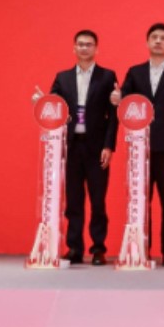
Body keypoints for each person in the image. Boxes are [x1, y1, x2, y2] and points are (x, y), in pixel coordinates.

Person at [36, 29, 118, 265]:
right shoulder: (62, 78)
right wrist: (40, 102)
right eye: (80, 44)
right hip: (71, 148)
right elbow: (53, 107)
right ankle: (74, 248)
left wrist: (109, 146)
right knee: (73, 201)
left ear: (96, 49)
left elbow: (113, 116)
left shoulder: (107, 76)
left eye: (89, 44)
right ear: (73, 48)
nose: (84, 48)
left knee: (98, 200)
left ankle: (98, 249)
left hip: (97, 148)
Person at [116, 23, 164, 267]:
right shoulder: (135, 72)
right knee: (140, 199)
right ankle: (141, 247)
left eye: (163, 38)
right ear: (147, 42)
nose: (158, 41)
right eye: (154, 37)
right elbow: (123, 101)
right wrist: (117, 98)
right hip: (140, 146)